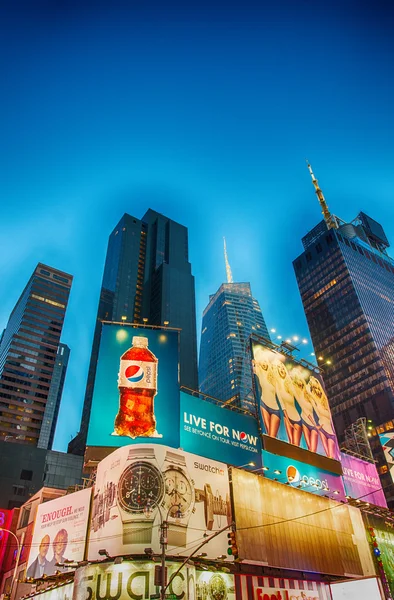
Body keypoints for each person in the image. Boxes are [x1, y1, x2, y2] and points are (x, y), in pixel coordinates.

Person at [272, 359, 302, 446]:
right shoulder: (277, 383)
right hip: (287, 418)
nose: (281, 370)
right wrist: (287, 419)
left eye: (282, 368)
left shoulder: (290, 384)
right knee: (291, 446)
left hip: (297, 419)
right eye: (279, 368)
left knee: (296, 445)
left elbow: (299, 400)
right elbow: (281, 403)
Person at [253, 348, 281, 438]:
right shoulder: (259, 371)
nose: (263, 363)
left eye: (264, 361)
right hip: (263, 404)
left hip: (275, 409)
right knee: (269, 438)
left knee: (272, 436)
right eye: (261, 362)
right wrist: (255, 362)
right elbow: (252, 367)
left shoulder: (274, 373)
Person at [290, 367, 319, 453]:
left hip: (313, 422)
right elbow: (304, 410)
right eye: (296, 378)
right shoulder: (296, 392)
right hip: (305, 421)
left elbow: (315, 407)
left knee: (313, 449)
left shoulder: (307, 391)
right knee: (310, 449)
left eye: (299, 376)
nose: (298, 380)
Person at [308, 376, 337, 459]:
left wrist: (314, 380)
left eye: (316, 385)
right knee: (328, 456)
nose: (315, 388)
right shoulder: (314, 399)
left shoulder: (324, 399)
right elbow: (308, 391)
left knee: (331, 456)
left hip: (330, 432)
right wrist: (310, 381)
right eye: (313, 387)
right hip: (322, 428)